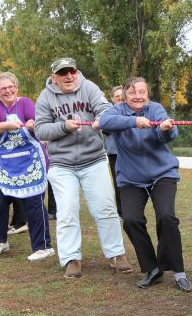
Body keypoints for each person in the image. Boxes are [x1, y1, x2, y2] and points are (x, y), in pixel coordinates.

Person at [35, 57, 132, 279]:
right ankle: (71, 259)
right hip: (61, 163)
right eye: (63, 73)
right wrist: (63, 127)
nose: (69, 76)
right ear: (54, 77)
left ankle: (116, 254)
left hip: (94, 158)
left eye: (72, 71)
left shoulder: (89, 87)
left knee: (106, 208)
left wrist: (101, 118)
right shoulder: (45, 97)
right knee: (67, 211)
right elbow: (40, 130)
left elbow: (106, 108)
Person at [99, 77, 192, 292]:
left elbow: (166, 136)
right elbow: (104, 122)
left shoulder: (156, 109)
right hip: (131, 177)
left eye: (142, 92)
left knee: (167, 217)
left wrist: (166, 129)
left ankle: (178, 272)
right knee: (130, 219)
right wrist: (133, 121)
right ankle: (152, 269)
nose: (138, 96)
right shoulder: (117, 111)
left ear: (147, 94)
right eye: (132, 93)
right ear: (124, 97)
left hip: (162, 173)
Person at [0, 72, 55, 261]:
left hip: (29, 160)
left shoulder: (26, 103)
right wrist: (7, 125)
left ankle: (43, 246)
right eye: (2, 88)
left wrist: (31, 125)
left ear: (16, 87)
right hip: (5, 162)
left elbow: (37, 124)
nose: (7, 91)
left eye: (10, 87)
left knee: (33, 203)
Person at [104, 85, 123, 216]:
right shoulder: (108, 111)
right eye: (117, 97)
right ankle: (121, 211)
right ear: (112, 99)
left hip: (131, 151)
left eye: (122, 97)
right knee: (118, 182)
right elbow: (106, 128)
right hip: (114, 152)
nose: (120, 99)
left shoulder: (132, 110)